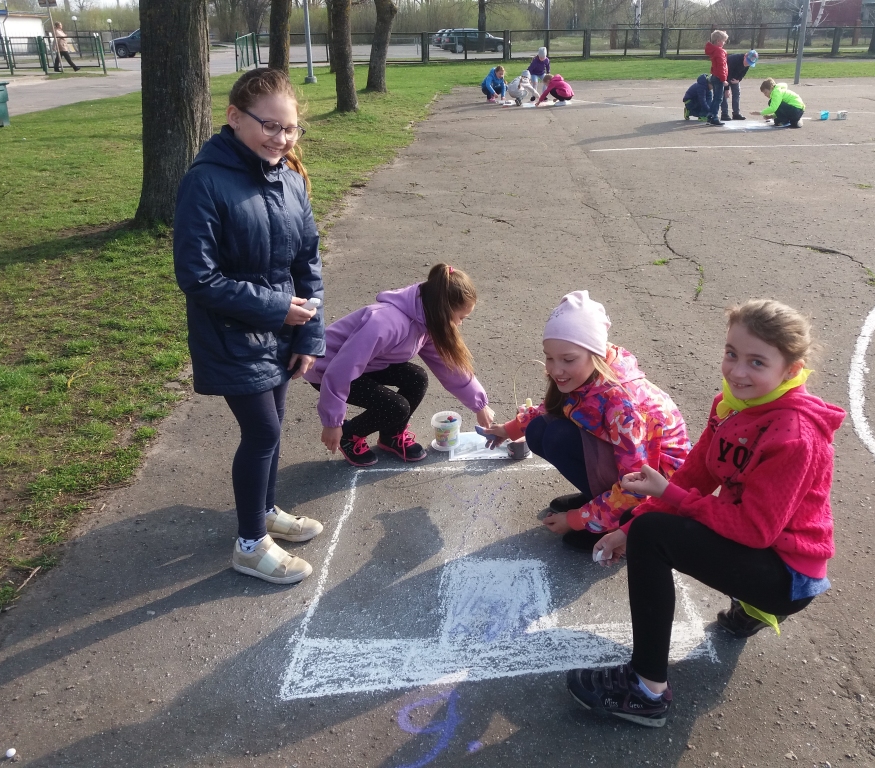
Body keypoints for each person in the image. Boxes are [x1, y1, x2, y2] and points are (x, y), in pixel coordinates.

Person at [567, 300, 845, 727]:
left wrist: (664, 505)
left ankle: (645, 691)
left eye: (757, 362)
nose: (737, 371)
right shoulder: (732, 404)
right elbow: (698, 473)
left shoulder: (795, 436)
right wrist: (630, 523)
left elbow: (754, 530)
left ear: (791, 370)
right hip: (765, 552)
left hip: (788, 574)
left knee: (656, 535)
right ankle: (750, 610)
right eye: (732, 353)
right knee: (647, 526)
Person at [174, 68, 326, 585]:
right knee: (262, 430)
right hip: (232, 334)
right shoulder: (205, 181)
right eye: (270, 126)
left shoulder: (289, 177)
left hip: (282, 330)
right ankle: (248, 544)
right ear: (235, 118)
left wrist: (307, 333)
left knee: (274, 425)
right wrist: (275, 309)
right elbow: (198, 277)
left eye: (290, 129)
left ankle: (265, 510)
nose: (281, 139)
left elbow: (308, 259)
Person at [484, 292, 690, 551]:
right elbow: (553, 406)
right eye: (549, 357)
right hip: (636, 468)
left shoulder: (624, 406)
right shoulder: (587, 375)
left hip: (660, 491)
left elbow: (638, 486)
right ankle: (598, 498)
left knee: (557, 436)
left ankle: (618, 526)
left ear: (595, 353)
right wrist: (510, 429)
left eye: (567, 359)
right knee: (541, 429)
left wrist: (575, 520)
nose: (555, 369)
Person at [305, 264, 496, 467]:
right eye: (460, 317)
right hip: (326, 369)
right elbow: (341, 369)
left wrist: (480, 405)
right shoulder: (385, 322)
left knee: (417, 378)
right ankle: (349, 435)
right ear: (443, 309)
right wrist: (332, 422)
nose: (459, 324)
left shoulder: (427, 322)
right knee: (396, 407)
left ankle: (391, 436)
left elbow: (448, 365)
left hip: (366, 365)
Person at [721, 49, 758, 121]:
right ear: (745, 56)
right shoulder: (733, 60)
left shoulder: (748, 63)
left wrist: (738, 80)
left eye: (750, 63)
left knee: (737, 93)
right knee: (724, 94)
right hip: (725, 76)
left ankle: (736, 113)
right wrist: (726, 89)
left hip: (734, 78)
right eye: (747, 62)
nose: (748, 64)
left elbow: (743, 72)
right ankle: (724, 113)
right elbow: (727, 74)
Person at [704, 29, 729, 126]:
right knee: (718, 98)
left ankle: (711, 115)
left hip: (715, 76)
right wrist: (723, 79)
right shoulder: (719, 51)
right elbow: (721, 66)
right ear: (718, 41)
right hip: (718, 77)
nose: (724, 43)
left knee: (716, 98)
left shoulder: (715, 50)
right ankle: (714, 116)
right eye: (723, 41)